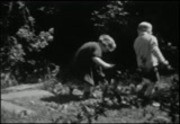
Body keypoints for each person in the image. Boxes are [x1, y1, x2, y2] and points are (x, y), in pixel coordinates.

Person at [133, 21, 170, 106]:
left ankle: (139, 94)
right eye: (151, 30)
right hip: (151, 64)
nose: (152, 32)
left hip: (141, 65)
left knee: (147, 81)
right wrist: (163, 61)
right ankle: (147, 98)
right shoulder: (151, 38)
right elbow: (155, 50)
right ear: (147, 30)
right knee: (155, 81)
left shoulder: (136, 40)